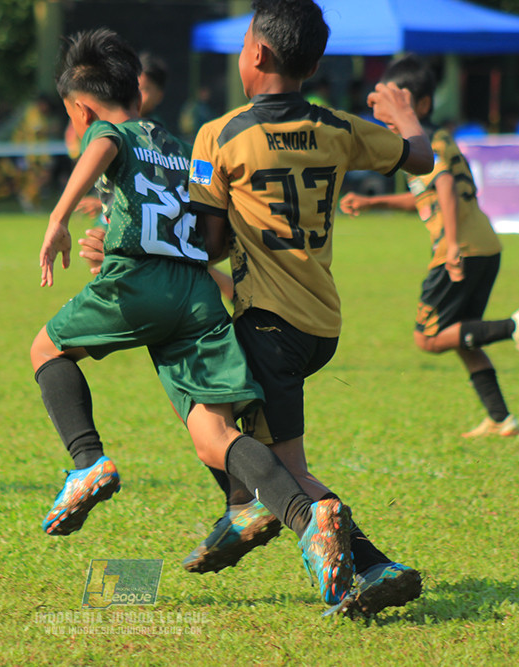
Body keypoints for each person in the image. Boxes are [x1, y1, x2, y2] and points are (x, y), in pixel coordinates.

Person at [32, 27, 355, 607]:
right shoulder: (187, 149)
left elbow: (105, 142)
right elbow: (207, 220)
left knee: (46, 350)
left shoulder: (107, 132)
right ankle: (305, 521)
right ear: (139, 86)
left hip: (141, 284)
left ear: (79, 108)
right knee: (216, 436)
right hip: (197, 293)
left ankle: (87, 463)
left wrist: (59, 217)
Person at [186, 0, 434, 617]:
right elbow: (420, 159)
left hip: (267, 322)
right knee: (233, 428)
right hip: (320, 322)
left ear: (257, 54)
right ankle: (243, 509)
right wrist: (406, 118)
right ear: (314, 62)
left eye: (243, 42)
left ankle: (371, 564)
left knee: (225, 434)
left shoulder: (220, 135)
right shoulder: (338, 128)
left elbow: (207, 242)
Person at [339, 54, 519, 438]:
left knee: (429, 337)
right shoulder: (435, 142)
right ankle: (502, 419)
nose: (386, 114)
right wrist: (372, 203)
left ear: (417, 104)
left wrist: (451, 244)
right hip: (485, 246)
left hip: (461, 250)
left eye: (394, 104)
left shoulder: (431, 143)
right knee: (461, 336)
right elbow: (429, 196)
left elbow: (447, 187)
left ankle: (514, 326)